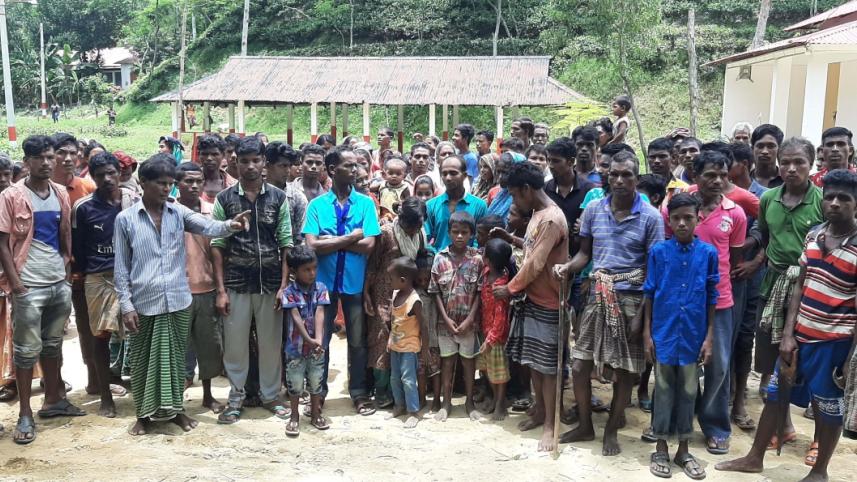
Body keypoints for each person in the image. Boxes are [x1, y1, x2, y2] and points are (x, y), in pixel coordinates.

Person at [716, 168, 857, 482]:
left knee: (827, 405)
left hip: (834, 342)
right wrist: (789, 334)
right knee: (776, 394)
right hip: (800, 335)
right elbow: (800, 287)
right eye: (830, 197)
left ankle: (819, 471)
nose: (834, 203)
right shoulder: (814, 235)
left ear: (855, 204)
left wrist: (850, 359)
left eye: (843, 198)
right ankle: (755, 457)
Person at [114, 155, 250, 436]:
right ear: (143, 183)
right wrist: (126, 305)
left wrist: (231, 226)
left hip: (177, 300)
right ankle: (143, 415)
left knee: (176, 361)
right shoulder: (126, 219)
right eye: (160, 183)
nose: (166, 189)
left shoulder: (178, 213)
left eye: (169, 184)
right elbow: (121, 267)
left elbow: (208, 226)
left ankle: (176, 411)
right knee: (143, 362)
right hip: (143, 303)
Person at [556, 151, 664, 456]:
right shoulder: (593, 209)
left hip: (632, 298)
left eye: (626, 175)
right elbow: (585, 254)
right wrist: (567, 268)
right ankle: (586, 425)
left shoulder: (651, 217)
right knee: (580, 366)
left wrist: (642, 316)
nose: (618, 180)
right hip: (596, 295)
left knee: (624, 372)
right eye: (614, 174)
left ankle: (612, 430)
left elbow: (654, 270)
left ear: (636, 179)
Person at [0, 135, 85, 444]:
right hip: (29, 285)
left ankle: (53, 400)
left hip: (57, 283)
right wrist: (17, 284)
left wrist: (65, 273)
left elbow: (64, 237)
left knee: (52, 346)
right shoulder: (11, 196)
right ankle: (25, 413)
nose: (48, 163)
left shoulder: (60, 193)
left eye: (51, 157)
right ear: (27, 162)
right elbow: (3, 244)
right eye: (41, 158)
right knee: (25, 352)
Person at [743, 137, 824, 454]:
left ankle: (819, 437)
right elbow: (765, 236)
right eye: (785, 162)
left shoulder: (822, 201)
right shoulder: (768, 200)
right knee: (774, 358)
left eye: (799, 162)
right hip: (773, 287)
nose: (791, 168)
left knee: (811, 362)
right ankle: (783, 426)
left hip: (811, 290)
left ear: (810, 165)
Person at [211, 136, 293, 424]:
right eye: (244, 161)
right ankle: (236, 398)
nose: (250, 166)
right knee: (235, 346)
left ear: (264, 163)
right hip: (235, 283)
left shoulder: (278, 198)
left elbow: (286, 243)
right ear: (236, 163)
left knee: (271, 344)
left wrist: (283, 286)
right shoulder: (224, 199)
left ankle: (271, 396)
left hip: (270, 283)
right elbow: (217, 245)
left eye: (255, 160)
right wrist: (220, 290)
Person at [644, 193, 718, 480]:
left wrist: (709, 337)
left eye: (688, 217)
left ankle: (684, 449)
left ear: (698, 218)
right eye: (676, 218)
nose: (682, 223)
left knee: (689, 391)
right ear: (669, 220)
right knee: (663, 389)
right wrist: (647, 334)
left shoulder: (708, 254)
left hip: (692, 335)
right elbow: (650, 292)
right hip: (663, 333)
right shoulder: (659, 252)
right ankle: (661, 447)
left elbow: (712, 296)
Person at [496, 161, 569, 452]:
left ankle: (551, 424)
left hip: (549, 301)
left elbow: (536, 263)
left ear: (527, 189)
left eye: (515, 195)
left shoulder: (551, 219)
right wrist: (511, 239)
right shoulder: (538, 214)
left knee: (548, 369)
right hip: (533, 299)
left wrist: (510, 288)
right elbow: (531, 250)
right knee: (535, 364)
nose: (514, 201)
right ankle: (540, 411)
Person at [303, 146, 380, 415]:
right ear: (333, 170)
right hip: (322, 286)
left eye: (357, 165)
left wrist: (330, 241)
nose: (355, 170)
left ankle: (358, 392)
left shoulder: (366, 203)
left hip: (354, 283)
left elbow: (369, 245)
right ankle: (318, 392)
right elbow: (312, 245)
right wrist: (351, 237)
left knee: (357, 341)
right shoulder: (316, 205)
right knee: (320, 340)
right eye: (349, 165)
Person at [684, 150, 748, 455]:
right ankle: (679, 419)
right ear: (696, 176)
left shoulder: (735, 214)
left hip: (719, 300)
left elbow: (733, 260)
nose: (718, 181)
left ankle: (716, 427)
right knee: (682, 362)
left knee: (718, 367)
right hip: (683, 300)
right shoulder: (680, 205)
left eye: (723, 175)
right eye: (710, 175)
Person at [71, 152, 137, 418]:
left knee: (138, 332)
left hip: (132, 275)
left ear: (120, 173)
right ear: (93, 178)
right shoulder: (83, 208)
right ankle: (105, 396)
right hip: (99, 278)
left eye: (111, 173)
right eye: (101, 175)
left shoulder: (134, 201)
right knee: (100, 336)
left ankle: (143, 390)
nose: (107, 179)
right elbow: (78, 247)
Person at [364, 197, 427, 410]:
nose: (414, 230)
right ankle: (382, 391)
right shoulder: (387, 233)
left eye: (418, 226)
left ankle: (399, 391)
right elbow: (372, 264)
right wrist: (366, 293)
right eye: (411, 226)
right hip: (383, 294)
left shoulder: (420, 235)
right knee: (382, 340)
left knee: (405, 340)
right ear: (403, 220)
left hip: (406, 296)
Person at [175, 162, 225, 413]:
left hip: (206, 289)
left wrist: (221, 290)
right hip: (177, 291)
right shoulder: (169, 211)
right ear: (177, 184)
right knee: (178, 346)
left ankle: (207, 395)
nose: (194, 186)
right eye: (188, 181)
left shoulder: (211, 213)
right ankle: (176, 396)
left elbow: (218, 252)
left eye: (198, 181)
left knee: (208, 346)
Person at [728, 141, 769, 431]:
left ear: (742, 164)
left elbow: (771, 233)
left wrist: (754, 262)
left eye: (727, 164)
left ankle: (740, 398)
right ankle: (722, 394)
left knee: (744, 338)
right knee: (721, 338)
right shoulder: (712, 194)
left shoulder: (763, 196)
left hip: (751, 276)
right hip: (722, 275)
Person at [430, 211, 483, 422]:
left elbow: (479, 292)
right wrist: (445, 318)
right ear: (449, 232)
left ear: (471, 234)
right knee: (447, 362)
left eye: (464, 232)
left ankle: (470, 402)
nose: (459, 236)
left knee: (469, 363)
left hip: (468, 324)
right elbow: (435, 292)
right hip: (446, 324)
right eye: (455, 232)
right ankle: (446, 403)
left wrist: (470, 319)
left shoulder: (477, 259)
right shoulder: (440, 258)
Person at [282, 245, 330, 436]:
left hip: (316, 348)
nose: (312, 273)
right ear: (294, 271)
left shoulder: (321, 288)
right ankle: (294, 416)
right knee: (295, 384)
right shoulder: (289, 292)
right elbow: (295, 316)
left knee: (316, 381)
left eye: (314, 268)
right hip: (295, 349)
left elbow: (320, 312)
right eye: (306, 270)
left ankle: (315, 414)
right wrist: (308, 339)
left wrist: (318, 339)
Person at [385, 256, 425, 429]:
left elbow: (424, 327)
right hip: (395, 346)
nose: (389, 282)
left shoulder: (414, 301)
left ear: (402, 280)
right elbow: (395, 321)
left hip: (409, 348)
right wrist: (390, 340)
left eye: (391, 278)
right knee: (395, 378)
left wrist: (425, 351)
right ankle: (399, 406)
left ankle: (413, 412)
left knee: (408, 380)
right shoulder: (395, 294)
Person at [478, 238, 512, 421]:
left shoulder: (500, 285)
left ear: (488, 260)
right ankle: (496, 399)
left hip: (496, 337)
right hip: (485, 330)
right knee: (488, 370)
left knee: (499, 373)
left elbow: (500, 318)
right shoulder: (486, 274)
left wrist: (491, 340)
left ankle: (500, 404)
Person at [425, 155, 487, 251]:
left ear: (464, 176)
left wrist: (470, 255)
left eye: (453, 173)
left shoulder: (479, 205)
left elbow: (480, 238)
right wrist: (436, 255)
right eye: (444, 174)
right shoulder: (431, 205)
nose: (448, 178)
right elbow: (426, 238)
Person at [545, 137, 594, 256]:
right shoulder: (544, 189)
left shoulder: (588, 190)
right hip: (551, 255)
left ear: (571, 162)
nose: (550, 165)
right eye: (549, 160)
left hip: (580, 256)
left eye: (556, 161)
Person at [264, 142, 308, 246]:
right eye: (283, 166)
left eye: (290, 166)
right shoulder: (254, 193)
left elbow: (301, 237)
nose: (288, 170)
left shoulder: (297, 197)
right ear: (267, 165)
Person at [415, 251, 441, 411]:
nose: (424, 283)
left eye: (427, 280)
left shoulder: (436, 294)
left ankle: (437, 399)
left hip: (435, 341)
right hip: (419, 343)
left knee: (436, 371)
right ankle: (422, 398)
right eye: (420, 280)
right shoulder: (415, 295)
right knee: (421, 372)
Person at [647, 137, 688, 205]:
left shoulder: (683, 189)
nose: (656, 161)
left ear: (673, 158)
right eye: (652, 157)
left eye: (662, 156)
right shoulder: (639, 188)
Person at [198, 134, 237, 204]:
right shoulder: (189, 181)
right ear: (199, 155)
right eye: (205, 154)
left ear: (223, 155)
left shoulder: (234, 185)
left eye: (214, 154)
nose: (209, 158)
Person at [485, 152, 523, 224]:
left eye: (505, 172)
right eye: (498, 172)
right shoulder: (500, 194)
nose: (500, 177)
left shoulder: (521, 200)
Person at [751, 124, 784, 189]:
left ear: (779, 149)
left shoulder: (787, 181)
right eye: (760, 146)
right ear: (752, 149)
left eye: (771, 146)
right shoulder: (743, 181)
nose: (765, 151)